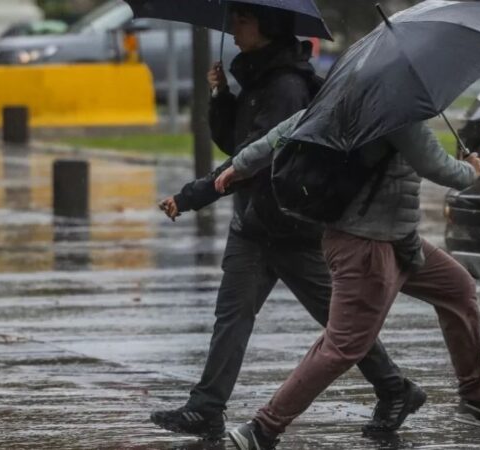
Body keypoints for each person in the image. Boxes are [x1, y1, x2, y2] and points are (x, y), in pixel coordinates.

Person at [150, 5, 422, 441]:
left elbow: (255, 161)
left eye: (241, 20)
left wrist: (192, 196)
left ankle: (394, 387)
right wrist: (221, 96)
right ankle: (206, 407)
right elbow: (235, 143)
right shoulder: (259, 78)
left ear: (266, 27)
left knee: (341, 328)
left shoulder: (286, 87)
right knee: (232, 316)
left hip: (290, 226)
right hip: (254, 226)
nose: (232, 28)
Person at [213, 111, 480, 450]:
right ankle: (262, 429)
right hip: (365, 245)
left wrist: (241, 165)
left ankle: (476, 397)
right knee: (344, 345)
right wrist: (473, 168)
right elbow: (439, 168)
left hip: (398, 239)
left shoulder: (346, 100)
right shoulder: (397, 116)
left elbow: (281, 130)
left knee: (457, 288)